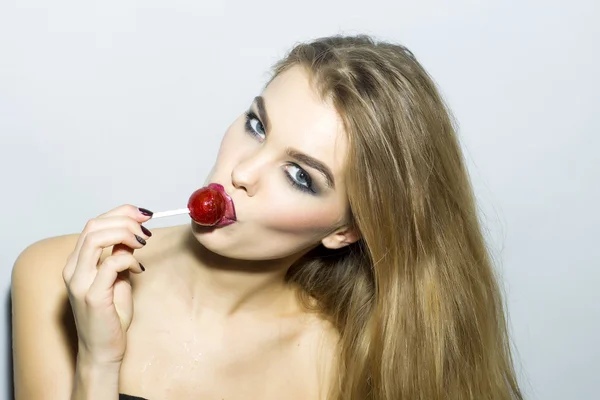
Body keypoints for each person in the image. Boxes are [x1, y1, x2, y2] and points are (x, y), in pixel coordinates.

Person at [11, 34, 523, 400]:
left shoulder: (343, 365)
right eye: (257, 124)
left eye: (300, 175)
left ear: (346, 231)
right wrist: (99, 362)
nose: (243, 171)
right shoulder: (52, 276)